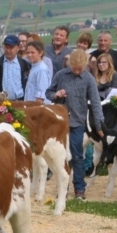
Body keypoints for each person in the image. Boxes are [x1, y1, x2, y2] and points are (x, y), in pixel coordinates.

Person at [47, 49, 104, 200]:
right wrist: (56, 95)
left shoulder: (89, 79)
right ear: (69, 63)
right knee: (60, 156)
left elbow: (96, 103)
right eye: (74, 68)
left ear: (85, 66)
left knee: (77, 155)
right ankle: (62, 188)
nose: (77, 71)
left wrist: (100, 125)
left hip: (77, 123)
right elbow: (48, 92)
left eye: (80, 69)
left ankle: (79, 188)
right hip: (60, 122)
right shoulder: (61, 75)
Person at [23, 38, 52, 104]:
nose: (29, 55)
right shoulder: (34, 67)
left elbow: (41, 94)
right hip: (30, 105)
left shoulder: (41, 69)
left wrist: (36, 108)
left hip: (37, 107)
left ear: (40, 53)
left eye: (32, 52)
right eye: (28, 52)